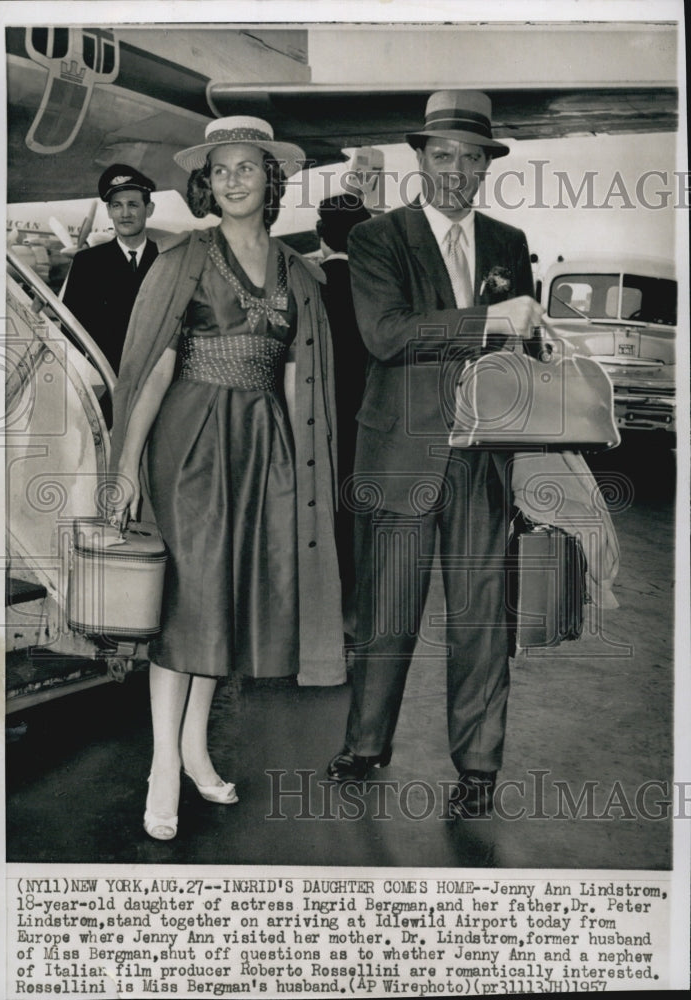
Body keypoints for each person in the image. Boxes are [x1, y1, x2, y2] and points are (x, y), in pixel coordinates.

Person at [109, 117, 345, 840]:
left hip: (264, 448)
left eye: (250, 167)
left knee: (228, 603)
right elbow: (153, 369)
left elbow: (304, 383)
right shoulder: (184, 258)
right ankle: (160, 768)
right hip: (189, 444)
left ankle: (193, 748)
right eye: (223, 169)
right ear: (205, 182)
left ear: (272, 181)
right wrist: (124, 468)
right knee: (187, 605)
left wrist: (309, 480)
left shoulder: (300, 272)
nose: (236, 178)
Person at [326, 91, 545, 818]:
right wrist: (488, 320)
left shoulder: (509, 244)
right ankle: (365, 744)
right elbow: (385, 336)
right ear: (420, 159)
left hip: (483, 461)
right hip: (398, 457)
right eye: (441, 154)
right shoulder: (377, 239)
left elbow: (524, 354)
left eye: (470, 156)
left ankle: (479, 767)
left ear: (487, 166)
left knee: (482, 619)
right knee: (387, 614)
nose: (455, 168)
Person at [316, 193, 372, 629]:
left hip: (316, 415)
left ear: (321, 237)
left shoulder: (311, 284)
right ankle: (351, 610)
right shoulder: (376, 288)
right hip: (364, 417)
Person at [63, 164, 158, 375]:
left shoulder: (166, 259)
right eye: (117, 206)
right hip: (106, 380)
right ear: (109, 211)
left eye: (133, 204)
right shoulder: (87, 263)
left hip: (159, 382)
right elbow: (71, 331)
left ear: (148, 209)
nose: (125, 214)